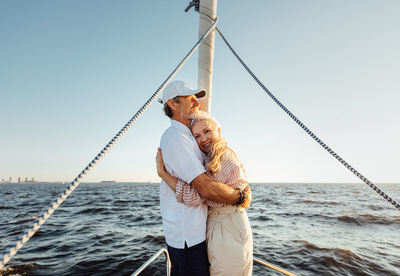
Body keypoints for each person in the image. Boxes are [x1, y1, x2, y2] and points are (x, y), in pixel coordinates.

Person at [158, 80, 250, 276]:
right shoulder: (177, 139)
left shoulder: (189, 137)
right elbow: (204, 190)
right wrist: (240, 197)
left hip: (204, 230)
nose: (197, 103)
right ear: (173, 104)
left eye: (206, 132)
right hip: (188, 237)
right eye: (190, 99)